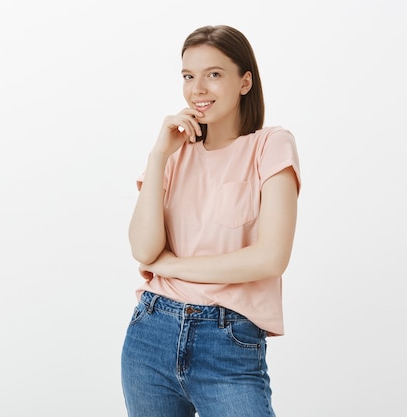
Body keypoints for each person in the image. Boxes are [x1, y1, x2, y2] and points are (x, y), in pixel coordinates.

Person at [121, 24, 301, 417]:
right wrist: (157, 157)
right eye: (189, 76)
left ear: (244, 81)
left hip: (228, 341)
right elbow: (143, 248)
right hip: (151, 334)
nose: (197, 89)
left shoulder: (270, 145)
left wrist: (172, 266)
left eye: (213, 74)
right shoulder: (174, 154)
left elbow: (270, 258)